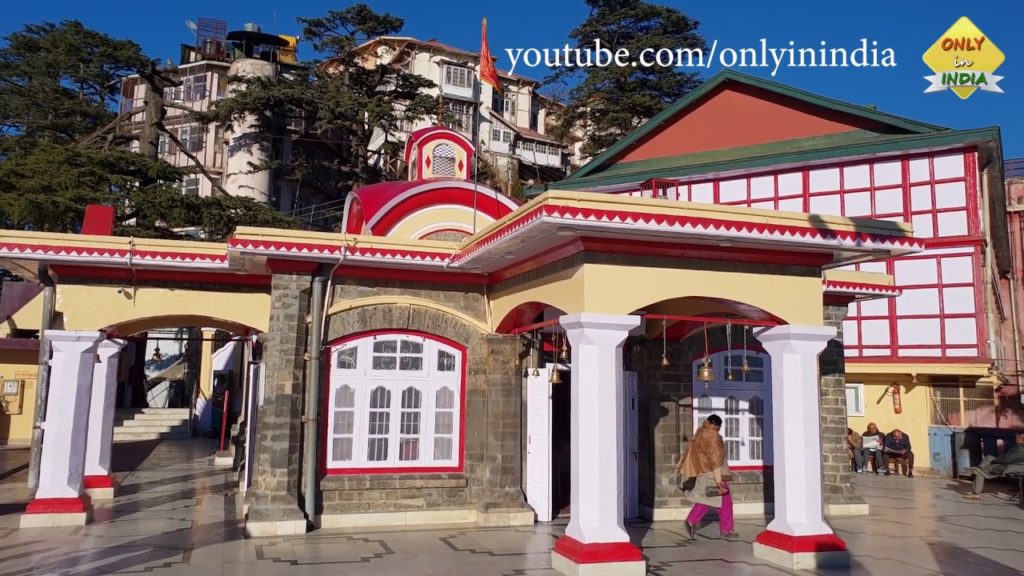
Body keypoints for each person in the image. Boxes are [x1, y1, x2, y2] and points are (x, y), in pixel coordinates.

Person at [676, 414, 738, 540]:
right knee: (724, 502)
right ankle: (725, 529)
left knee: (708, 498)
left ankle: (691, 520)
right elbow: (716, 461)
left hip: (703, 472)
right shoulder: (714, 437)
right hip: (714, 474)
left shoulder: (700, 433)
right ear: (718, 426)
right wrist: (719, 481)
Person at [964, 431, 1024, 499]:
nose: (1015, 438)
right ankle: (980, 468)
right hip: (1012, 462)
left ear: (1021, 438)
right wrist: (996, 460)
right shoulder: (1019, 446)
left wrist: (995, 461)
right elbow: (1008, 458)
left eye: (1017, 437)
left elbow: (1007, 459)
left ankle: (975, 493)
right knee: (988, 457)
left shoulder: (1021, 448)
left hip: (1013, 466)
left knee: (980, 472)